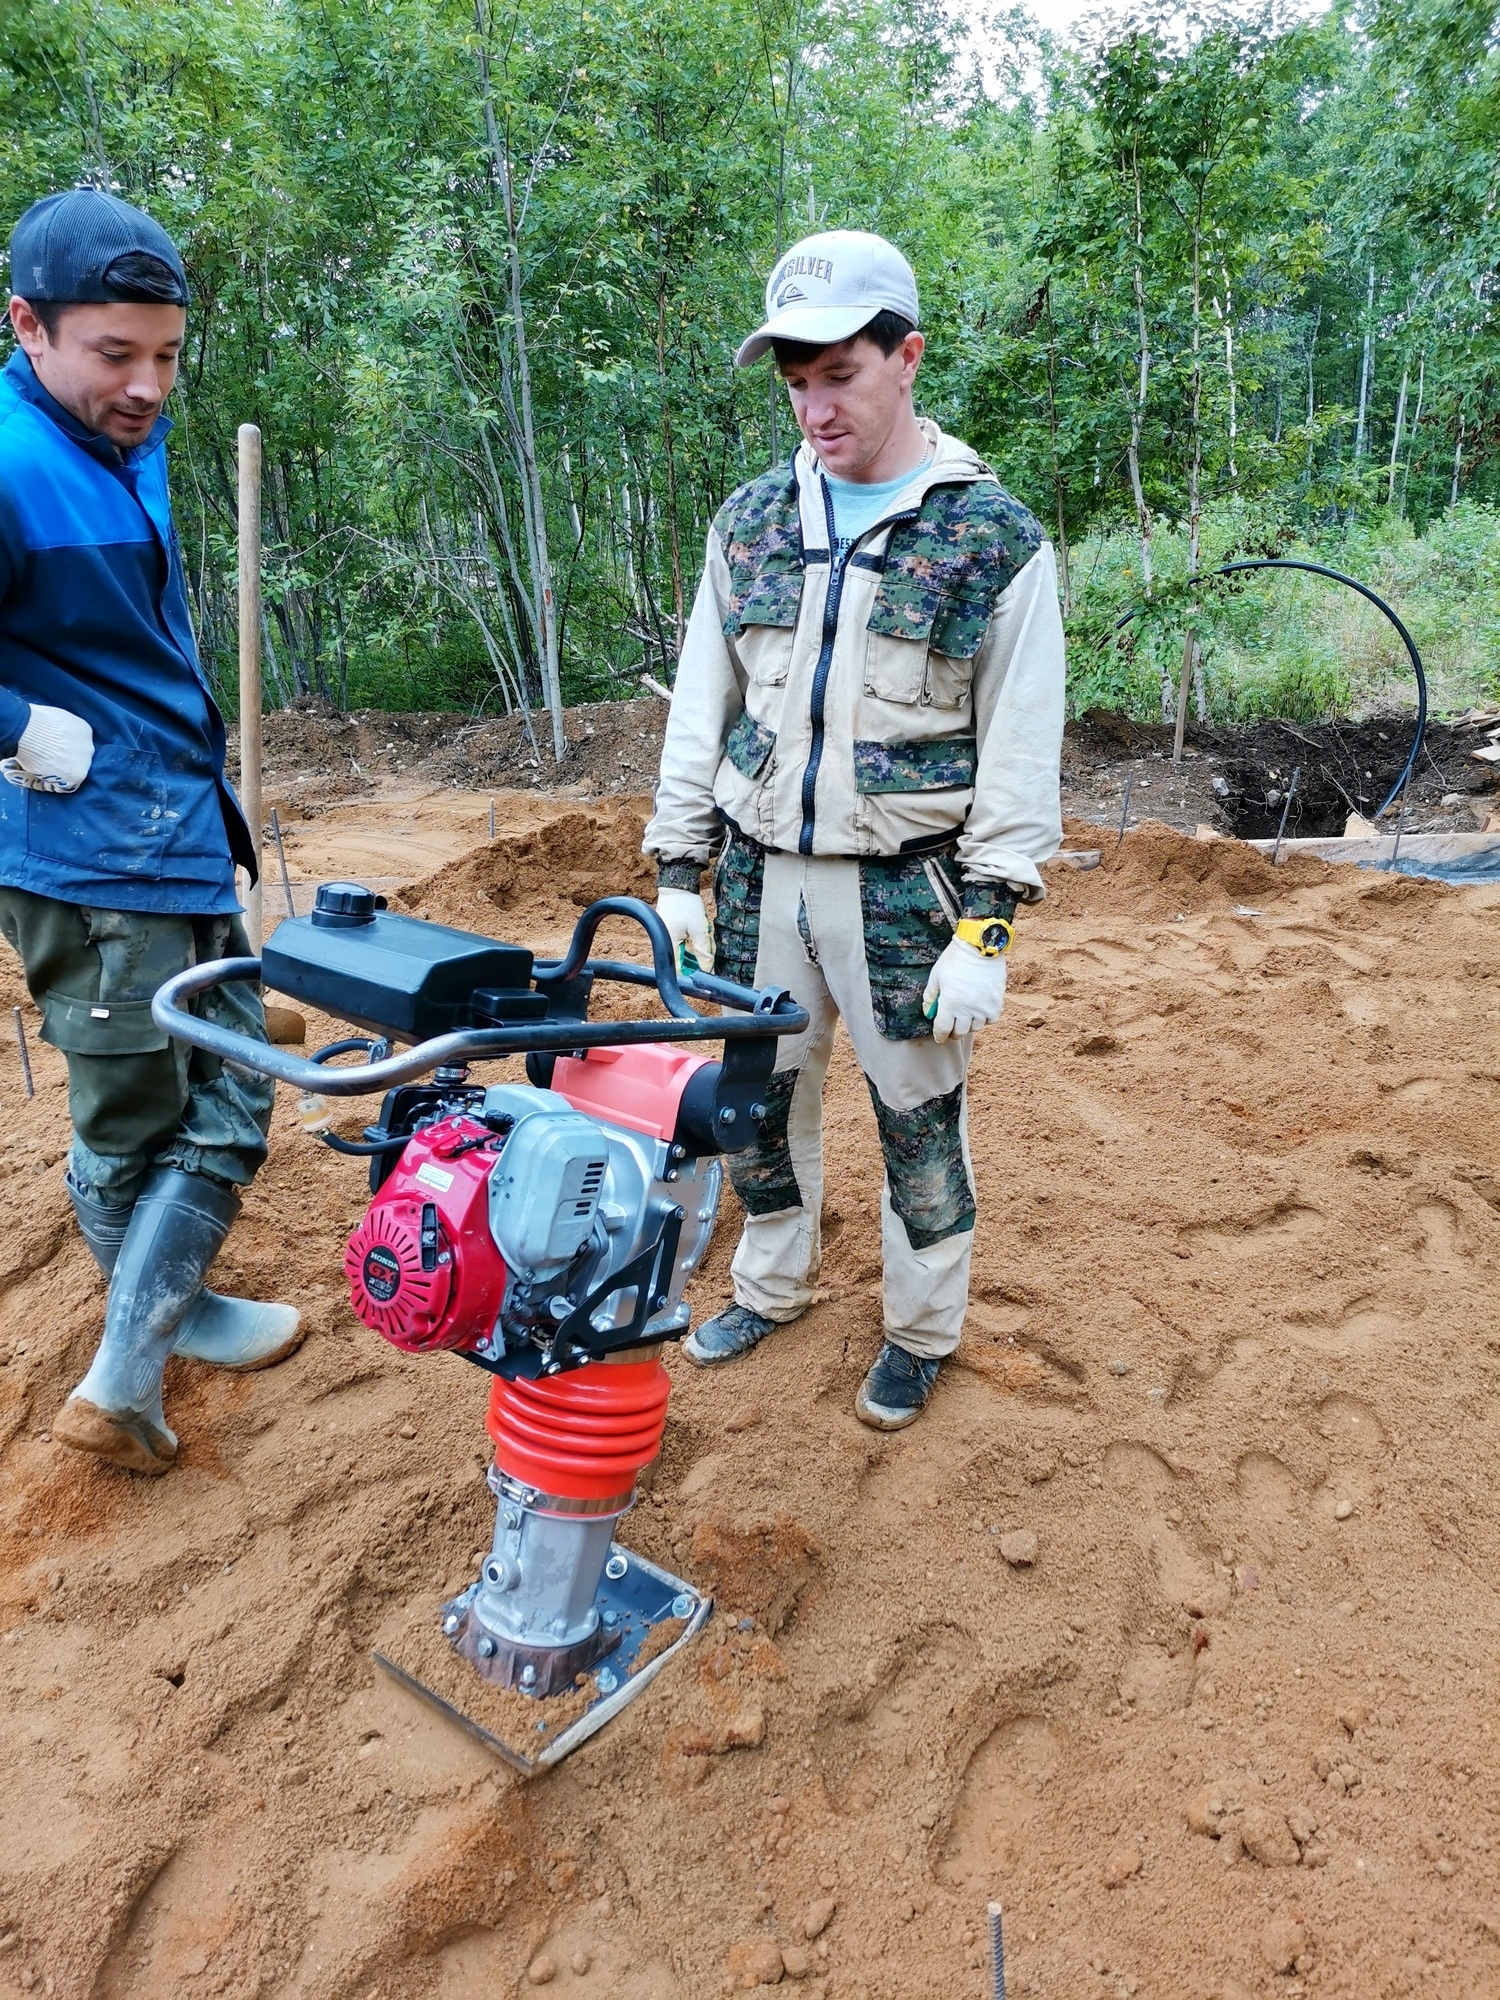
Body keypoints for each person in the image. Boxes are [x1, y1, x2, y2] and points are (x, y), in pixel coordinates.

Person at [644, 229, 1065, 1429]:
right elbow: (702, 704)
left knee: (919, 1125)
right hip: (755, 877)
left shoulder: (989, 537)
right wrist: (680, 869)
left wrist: (986, 930)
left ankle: (920, 1331)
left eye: (840, 374)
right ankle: (771, 1285)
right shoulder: (753, 519)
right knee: (757, 1107)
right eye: (796, 380)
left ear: (907, 356)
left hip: (907, 889)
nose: (815, 406)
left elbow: (1022, 746)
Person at [0, 188, 300, 1476]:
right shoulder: (10, 463)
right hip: (87, 851)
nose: (146, 383)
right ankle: (127, 1369)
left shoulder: (123, 439)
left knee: (199, 1077)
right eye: (114, 353)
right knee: (163, 1104)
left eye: (166, 354)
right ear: (27, 326)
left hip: (168, 828)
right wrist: (13, 722)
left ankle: (159, 1313)